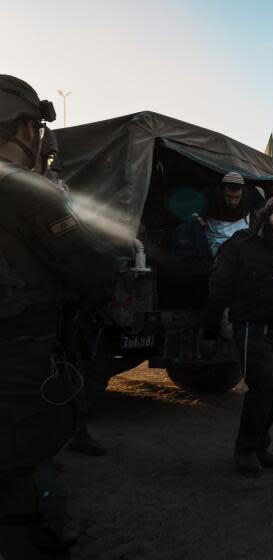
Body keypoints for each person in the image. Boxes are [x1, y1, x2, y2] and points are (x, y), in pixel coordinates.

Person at [0, 75, 115, 559]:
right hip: (21, 354)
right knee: (22, 470)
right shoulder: (29, 191)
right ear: (27, 128)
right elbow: (90, 268)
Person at [204, 192, 273, 477]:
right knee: (263, 385)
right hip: (251, 328)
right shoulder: (240, 243)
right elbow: (219, 286)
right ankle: (244, 450)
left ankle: (259, 446)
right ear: (265, 216)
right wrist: (210, 329)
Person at [204, 172, 263, 256]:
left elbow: (261, 210)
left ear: (243, 192)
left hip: (241, 243)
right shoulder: (210, 195)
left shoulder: (251, 193)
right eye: (228, 196)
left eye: (237, 197)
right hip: (215, 243)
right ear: (222, 191)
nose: (232, 202)